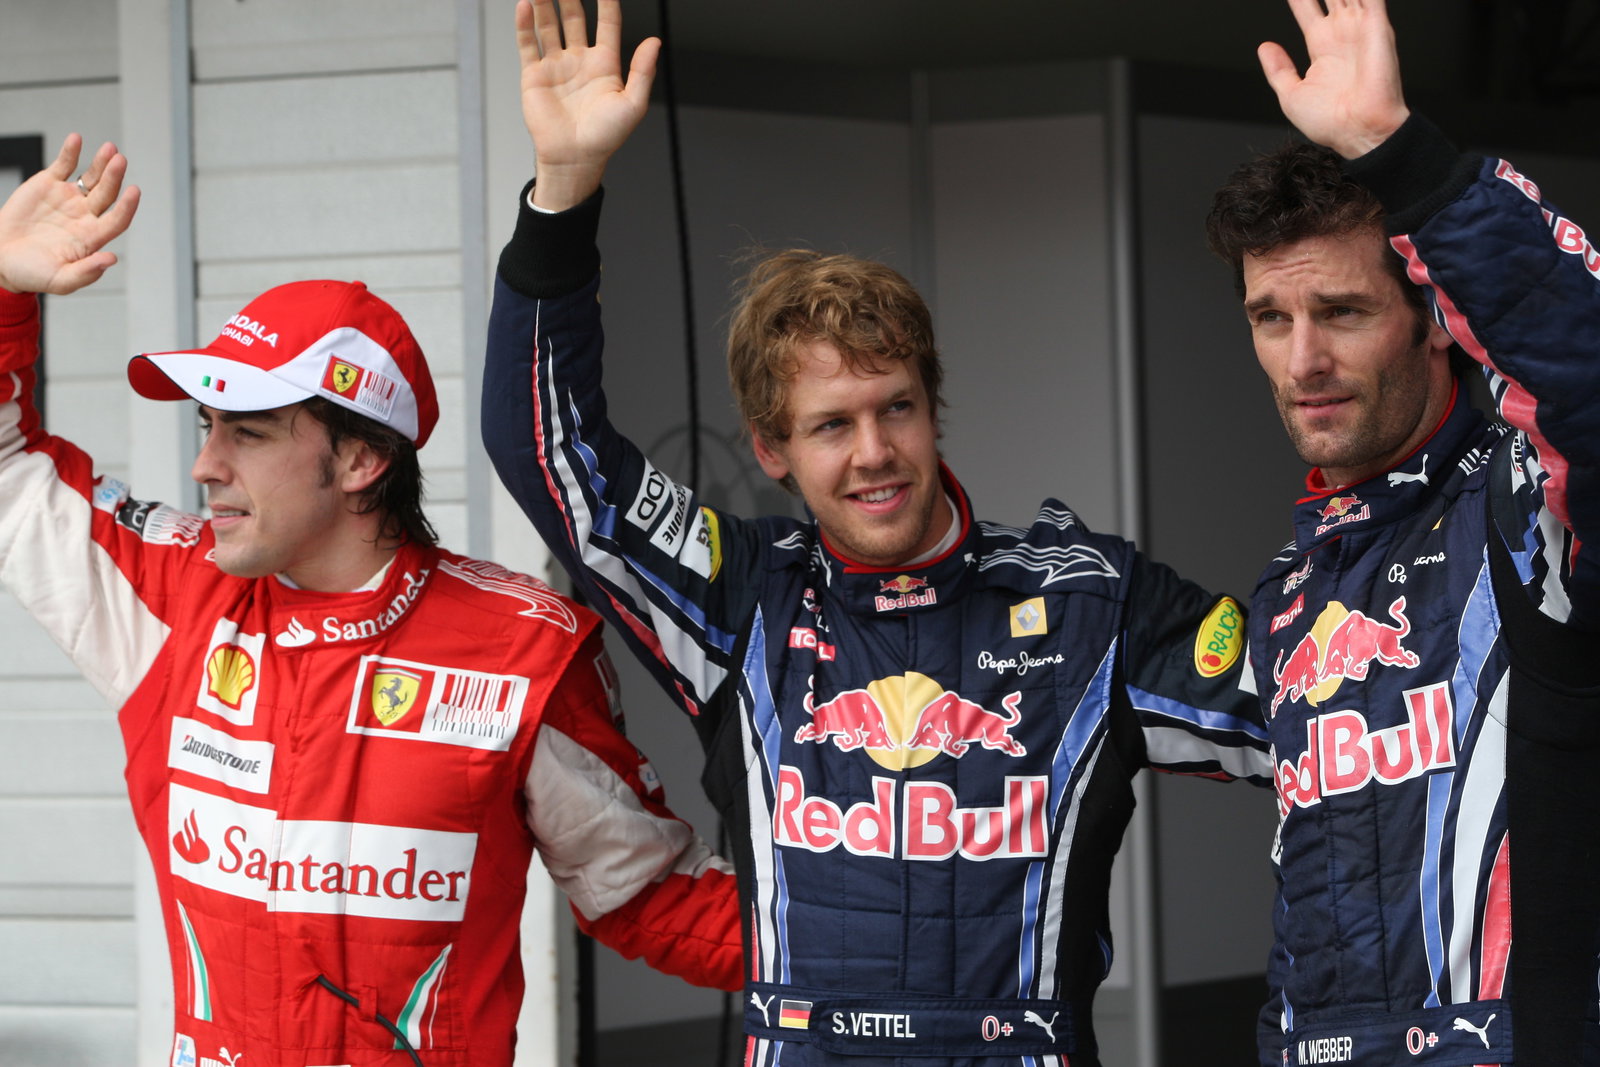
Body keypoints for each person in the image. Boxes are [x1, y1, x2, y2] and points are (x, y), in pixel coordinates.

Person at [481, 1, 1272, 1064]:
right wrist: (563, 194)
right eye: (830, 425)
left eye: (895, 406)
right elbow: (550, 454)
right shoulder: (742, 596)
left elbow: (1323, 719)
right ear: (771, 448)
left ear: (933, 406)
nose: (874, 452)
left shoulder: (1088, 601)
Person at [0, 135, 741, 1067]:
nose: (205, 465)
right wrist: (2, 289)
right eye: (207, 425)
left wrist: (887, 946)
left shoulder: (521, 650)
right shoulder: (171, 596)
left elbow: (649, 894)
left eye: (247, 432)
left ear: (360, 458)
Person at [1205, 1, 1600, 1063]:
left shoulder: (1528, 501)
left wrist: (1403, 158)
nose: (1303, 362)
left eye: (1341, 311)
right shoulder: (1291, 586)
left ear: (1432, 317)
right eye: (1271, 319)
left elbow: (1586, 375)